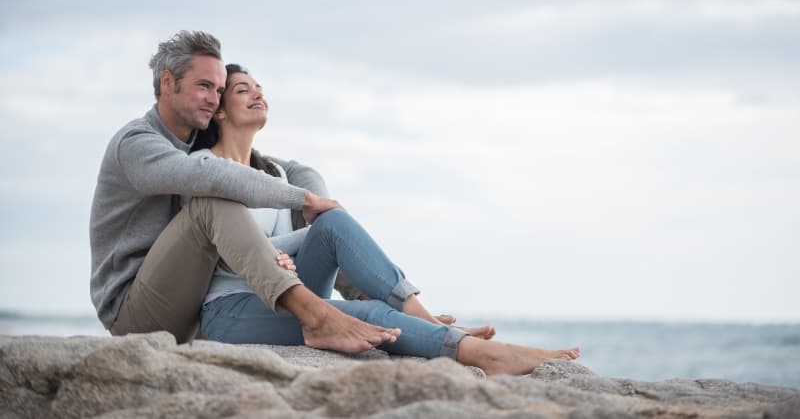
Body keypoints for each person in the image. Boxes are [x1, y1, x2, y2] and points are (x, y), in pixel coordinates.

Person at [191, 63, 581, 376]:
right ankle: (484, 354)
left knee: (333, 223)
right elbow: (231, 254)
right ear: (220, 111)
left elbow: (277, 255)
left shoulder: (274, 174)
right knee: (370, 314)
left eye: (259, 87)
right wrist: (280, 253)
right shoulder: (206, 169)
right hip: (232, 311)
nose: (258, 93)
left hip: (285, 295)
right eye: (243, 90)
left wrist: (285, 254)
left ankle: (427, 320)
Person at [89, 30, 400, 352]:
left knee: (326, 223)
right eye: (204, 86)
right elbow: (216, 176)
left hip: (193, 300)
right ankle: (315, 315)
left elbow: (283, 168)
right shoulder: (138, 144)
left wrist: (315, 197)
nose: (213, 98)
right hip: (135, 311)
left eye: (219, 89)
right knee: (212, 205)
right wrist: (303, 200)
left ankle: (370, 296)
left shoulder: (195, 140)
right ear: (168, 83)